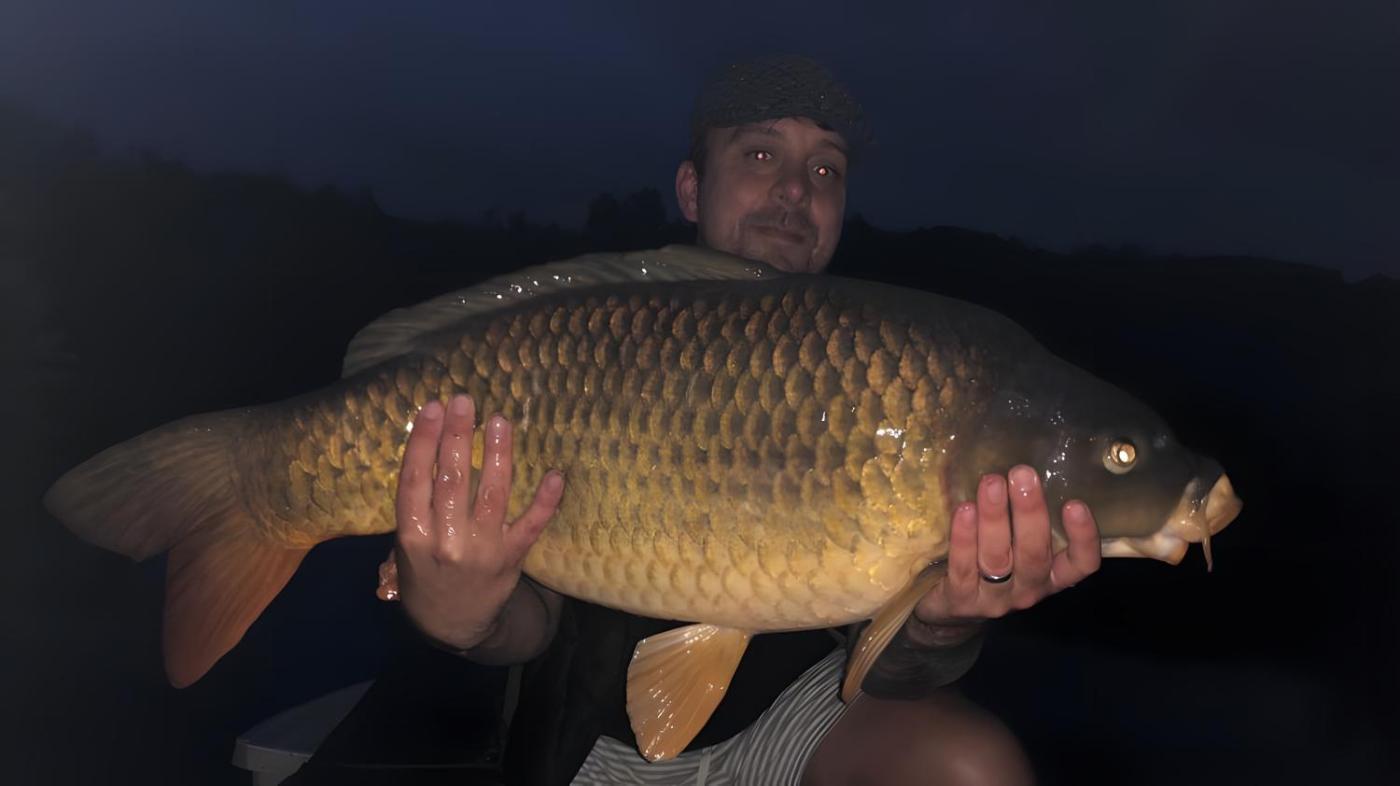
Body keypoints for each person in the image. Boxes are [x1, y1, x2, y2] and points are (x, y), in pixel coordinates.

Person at [387, 56, 1103, 785]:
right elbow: (530, 621)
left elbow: (891, 671)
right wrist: (460, 620)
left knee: (972, 768)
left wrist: (943, 621)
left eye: (826, 170)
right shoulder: (592, 345)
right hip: (589, 737)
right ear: (691, 189)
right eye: (761, 155)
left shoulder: (877, 371)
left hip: (794, 715)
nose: (796, 189)